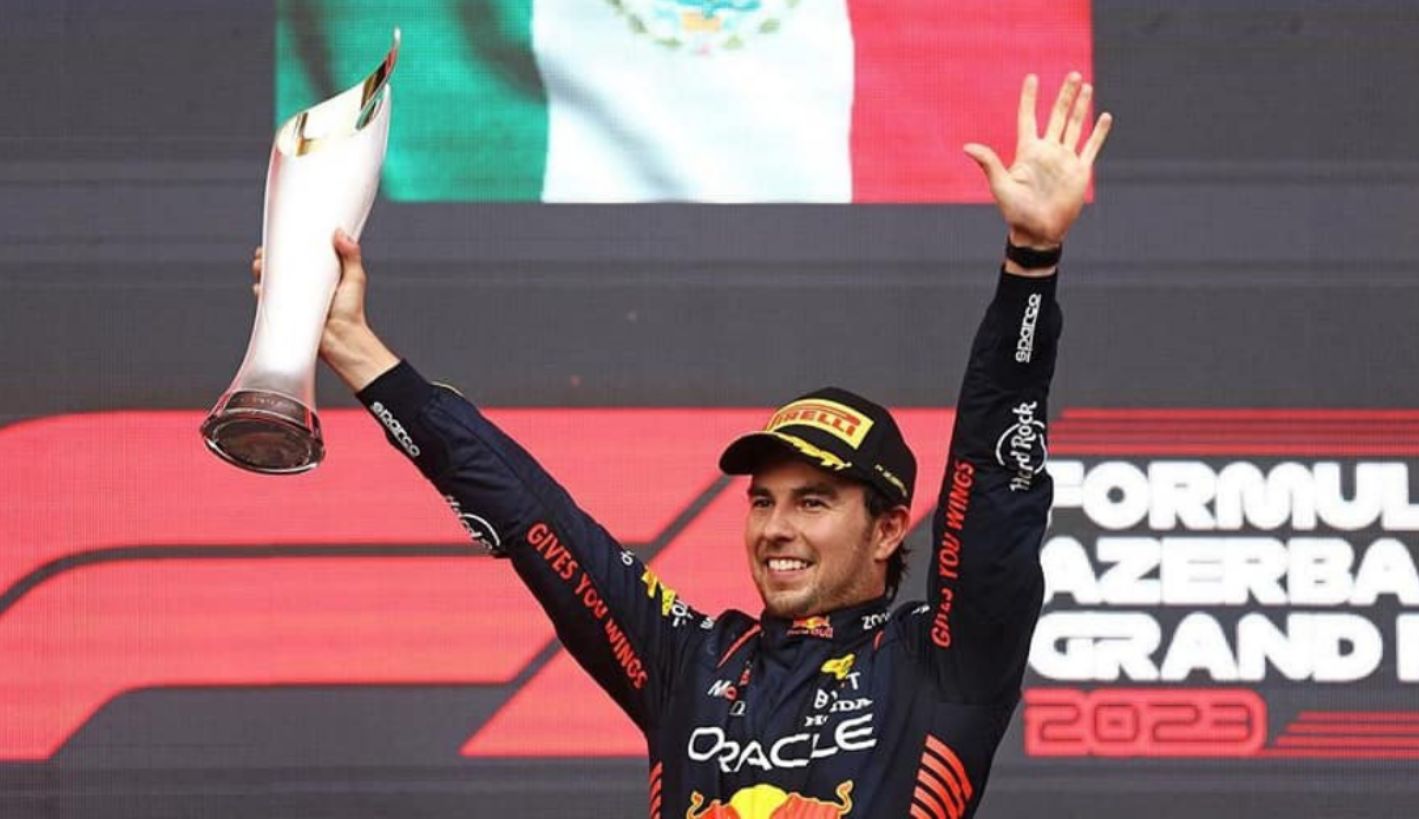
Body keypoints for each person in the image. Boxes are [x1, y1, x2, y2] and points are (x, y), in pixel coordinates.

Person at [258, 71, 1111, 818]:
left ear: (889, 527)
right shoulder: (691, 662)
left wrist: (1031, 263)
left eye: (813, 501)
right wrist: (361, 354)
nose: (776, 527)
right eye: (763, 500)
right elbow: (530, 515)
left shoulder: (941, 667)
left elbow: (993, 482)